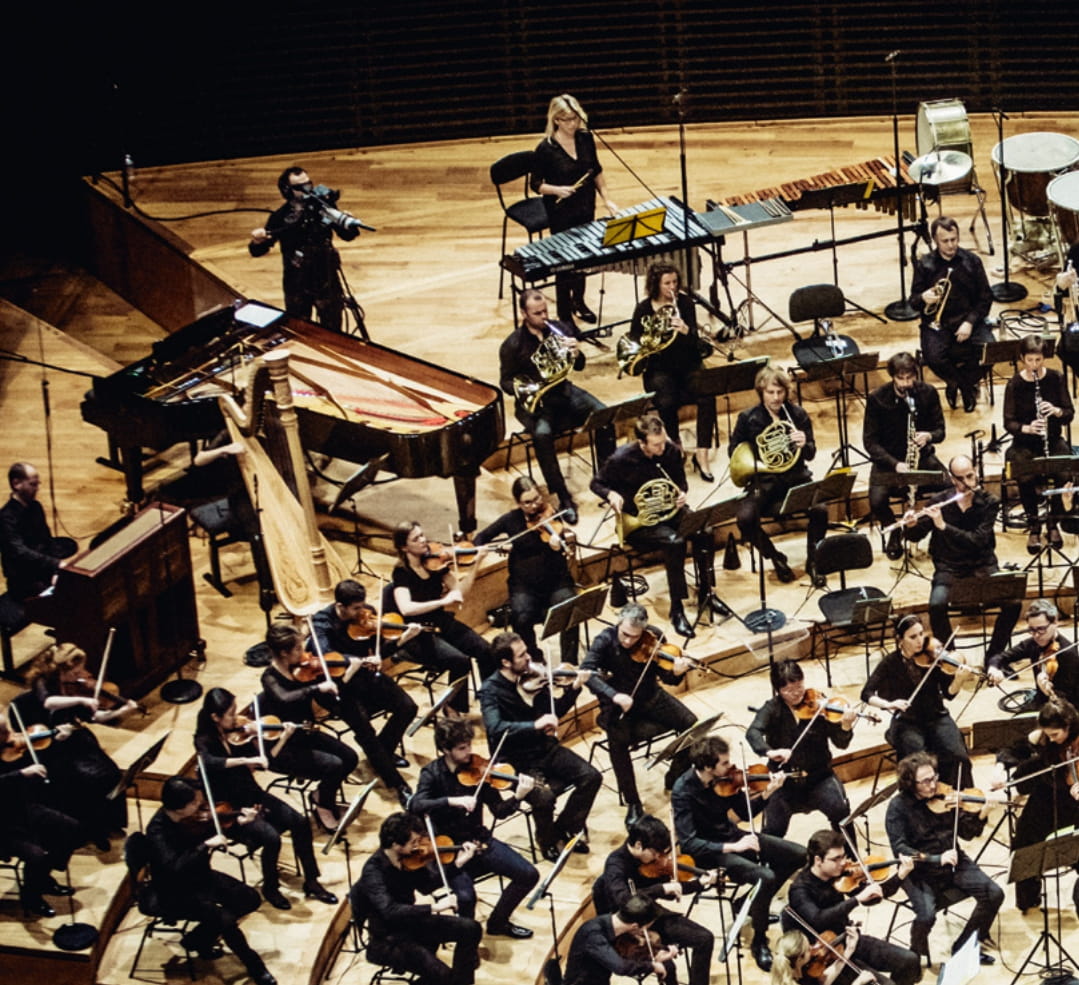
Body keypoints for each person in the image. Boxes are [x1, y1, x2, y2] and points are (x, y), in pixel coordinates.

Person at [193, 687, 337, 910]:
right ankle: (271, 888)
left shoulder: (239, 734)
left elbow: (266, 760)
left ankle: (311, 880)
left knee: (299, 822)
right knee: (271, 838)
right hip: (229, 809)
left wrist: (279, 737)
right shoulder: (203, 740)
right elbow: (209, 762)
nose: (236, 717)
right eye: (230, 713)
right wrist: (244, 761)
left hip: (252, 794)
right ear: (215, 717)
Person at [671, 734, 804, 971]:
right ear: (708, 767)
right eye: (724, 763)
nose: (731, 766)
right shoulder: (683, 791)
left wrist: (768, 792)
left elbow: (742, 812)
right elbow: (689, 843)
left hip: (733, 836)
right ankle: (759, 940)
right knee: (766, 877)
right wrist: (734, 847)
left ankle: (749, 903)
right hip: (710, 852)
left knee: (799, 854)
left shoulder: (726, 781)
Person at [409, 716, 538, 939]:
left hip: (479, 841)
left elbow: (499, 811)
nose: (469, 752)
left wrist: (518, 797)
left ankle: (498, 923)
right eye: (462, 748)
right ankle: (466, 942)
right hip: (451, 850)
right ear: (445, 749)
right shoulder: (432, 774)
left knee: (529, 875)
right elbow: (416, 805)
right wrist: (452, 801)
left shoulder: (479, 772)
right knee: (466, 898)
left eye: (469, 745)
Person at [478, 631, 600, 861]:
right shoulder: (490, 691)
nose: (529, 658)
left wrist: (575, 687)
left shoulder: (534, 679)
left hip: (545, 748)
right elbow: (495, 727)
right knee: (544, 798)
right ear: (506, 662)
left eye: (526, 652)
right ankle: (546, 840)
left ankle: (563, 829)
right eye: (521, 655)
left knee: (591, 777)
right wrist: (534, 725)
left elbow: (555, 711)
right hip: (516, 760)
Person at [145, 776, 276, 985]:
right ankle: (256, 967)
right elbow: (175, 867)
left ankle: (198, 939)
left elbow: (211, 826)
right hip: (173, 891)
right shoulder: (157, 832)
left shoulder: (190, 819)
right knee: (225, 920)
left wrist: (240, 820)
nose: (202, 806)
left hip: (200, 876)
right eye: (196, 803)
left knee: (249, 899)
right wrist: (205, 846)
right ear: (180, 808)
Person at [500, 289, 615, 524]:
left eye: (545, 311)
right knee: (542, 435)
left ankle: (606, 480)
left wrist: (576, 352)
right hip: (537, 404)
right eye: (537, 313)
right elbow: (505, 382)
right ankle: (563, 497)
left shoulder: (560, 329)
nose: (544, 316)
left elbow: (579, 366)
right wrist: (526, 388)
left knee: (604, 415)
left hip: (563, 392)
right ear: (524, 314)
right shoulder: (512, 344)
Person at [591, 413, 711, 638]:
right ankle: (677, 609)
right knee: (675, 542)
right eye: (656, 445)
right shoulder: (621, 459)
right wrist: (611, 494)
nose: (662, 448)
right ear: (642, 442)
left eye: (663, 441)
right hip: (639, 521)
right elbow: (596, 483)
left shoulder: (671, 450)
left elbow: (680, 482)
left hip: (668, 510)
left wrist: (682, 493)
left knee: (704, 529)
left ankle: (706, 593)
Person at [581, 602, 697, 826]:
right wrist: (614, 695)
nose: (628, 641)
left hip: (651, 698)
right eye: (625, 634)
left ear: (643, 630)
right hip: (617, 707)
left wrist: (677, 672)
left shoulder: (654, 638)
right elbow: (587, 674)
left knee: (692, 725)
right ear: (619, 624)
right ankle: (633, 802)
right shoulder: (604, 641)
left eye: (634, 637)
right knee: (618, 742)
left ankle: (675, 776)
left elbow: (668, 680)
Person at [885, 751, 1003, 965]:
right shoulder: (898, 808)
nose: (933, 785)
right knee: (926, 916)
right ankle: (914, 955)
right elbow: (900, 848)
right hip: (919, 870)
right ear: (910, 783)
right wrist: (936, 859)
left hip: (954, 860)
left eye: (934, 777)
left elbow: (967, 833)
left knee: (994, 894)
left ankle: (965, 946)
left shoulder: (946, 796)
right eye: (925, 781)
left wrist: (984, 811)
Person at [899, 454, 1020, 659]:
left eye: (970, 476)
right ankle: (950, 658)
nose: (967, 483)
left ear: (976, 472)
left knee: (1014, 604)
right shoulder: (939, 502)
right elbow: (915, 536)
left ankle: (995, 656)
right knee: (936, 606)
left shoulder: (989, 502)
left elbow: (977, 540)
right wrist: (911, 525)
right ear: (952, 478)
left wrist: (943, 526)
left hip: (982, 565)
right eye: (961, 479)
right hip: (949, 567)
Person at [21, 642, 135, 850]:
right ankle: (92, 829)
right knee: (91, 780)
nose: (80, 675)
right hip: (52, 744)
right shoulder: (42, 683)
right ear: (60, 670)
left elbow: (95, 717)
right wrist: (81, 701)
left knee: (112, 774)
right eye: (75, 671)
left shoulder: (72, 686)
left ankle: (109, 822)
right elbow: (48, 703)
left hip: (76, 738)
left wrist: (121, 711)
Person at [352, 811, 481, 985]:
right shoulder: (373, 871)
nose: (418, 846)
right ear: (396, 844)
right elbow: (390, 910)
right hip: (388, 939)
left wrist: (457, 864)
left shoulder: (408, 858)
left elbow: (426, 886)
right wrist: (434, 908)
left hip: (411, 923)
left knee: (471, 928)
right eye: (413, 842)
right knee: (443, 976)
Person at [257, 624, 365, 828]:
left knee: (350, 757)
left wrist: (349, 668)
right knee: (334, 765)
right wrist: (316, 688)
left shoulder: (304, 669)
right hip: (285, 744)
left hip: (307, 732)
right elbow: (285, 698)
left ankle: (321, 794)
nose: (304, 652)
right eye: (298, 648)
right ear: (284, 653)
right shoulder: (270, 678)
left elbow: (329, 693)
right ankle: (323, 805)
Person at [783, 829, 921, 985]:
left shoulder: (840, 875)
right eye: (836, 859)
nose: (843, 863)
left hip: (849, 938)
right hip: (825, 956)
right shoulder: (800, 889)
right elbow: (818, 918)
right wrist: (856, 900)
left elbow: (874, 896)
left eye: (843, 856)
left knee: (910, 961)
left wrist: (901, 875)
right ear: (818, 860)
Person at [729, 366, 827, 586]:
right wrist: (757, 459)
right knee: (745, 519)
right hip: (764, 481)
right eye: (770, 392)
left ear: (786, 391)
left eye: (780, 392)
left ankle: (814, 561)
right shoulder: (748, 418)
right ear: (761, 392)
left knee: (820, 509)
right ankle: (775, 557)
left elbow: (810, 454)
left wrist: (804, 443)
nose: (775, 398)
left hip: (796, 478)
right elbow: (734, 452)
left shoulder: (797, 415)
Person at [592, 814, 718, 985]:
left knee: (704, 938)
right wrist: (660, 889)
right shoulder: (615, 865)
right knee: (668, 966)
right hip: (627, 929)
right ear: (638, 845)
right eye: (655, 852)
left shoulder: (648, 861)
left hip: (651, 916)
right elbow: (625, 901)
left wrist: (699, 883)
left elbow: (670, 890)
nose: (660, 858)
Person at [747, 660, 858, 848]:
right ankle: (768, 860)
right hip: (783, 781)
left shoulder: (820, 706)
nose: (796, 694)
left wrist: (846, 726)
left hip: (819, 776)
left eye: (799, 687)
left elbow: (841, 743)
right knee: (774, 828)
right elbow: (753, 732)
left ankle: (851, 857)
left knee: (841, 812)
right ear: (778, 690)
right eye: (788, 690)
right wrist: (770, 752)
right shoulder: (773, 708)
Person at [530, 93, 619, 327]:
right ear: (556, 120)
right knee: (564, 262)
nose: (573, 124)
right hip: (560, 211)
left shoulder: (585, 138)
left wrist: (607, 199)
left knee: (583, 257)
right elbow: (536, 184)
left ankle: (578, 301)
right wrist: (557, 190)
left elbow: (595, 171)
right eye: (567, 119)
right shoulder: (546, 148)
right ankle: (564, 313)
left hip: (585, 205)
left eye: (575, 118)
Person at [473, 475, 579, 664]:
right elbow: (481, 537)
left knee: (569, 610)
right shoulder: (511, 520)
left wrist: (557, 544)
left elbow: (561, 542)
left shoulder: (552, 514)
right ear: (518, 503)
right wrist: (486, 548)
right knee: (520, 616)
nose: (534, 506)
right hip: (524, 586)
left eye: (537, 499)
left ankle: (568, 664)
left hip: (556, 582)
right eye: (527, 503)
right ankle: (533, 659)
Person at [305, 577, 424, 744]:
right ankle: (381, 756)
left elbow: (380, 652)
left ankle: (384, 750)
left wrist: (403, 639)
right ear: (340, 606)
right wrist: (357, 659)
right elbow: (326, 655)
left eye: (362, 605)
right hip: (338, 684)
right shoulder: (322, 622)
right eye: (356, 608)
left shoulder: (367, 613)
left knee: (408, 707)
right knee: (365, 729)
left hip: (363, 675)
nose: (362, 611)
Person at [626, 262, 717, 480]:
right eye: (667, 283)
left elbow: (696, 344)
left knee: (707, 396)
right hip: (659, 369)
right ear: (655, 284)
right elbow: (634, 341)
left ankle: (702, 453)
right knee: (667, 401)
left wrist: (686, 330)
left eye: (675, 282)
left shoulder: (685, 303)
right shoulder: (643, 309)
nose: (672, 287)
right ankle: (676, 449)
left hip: (687, 365)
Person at [861, 613, 973, 788]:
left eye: (921, 634)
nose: (920, 641)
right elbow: (866, 693)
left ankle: (961, 798)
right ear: (900, 640)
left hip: (937, 717)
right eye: (913, 637)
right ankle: (920, 800)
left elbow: (949, 694)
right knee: (918, 765)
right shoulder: (890, 663)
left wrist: (959, 679)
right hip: (908, 722)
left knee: (959, 756)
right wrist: (888, 704)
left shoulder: (933, 658)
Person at [989, 698, 1079, 913]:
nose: (1052, 739)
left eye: (1055, 735)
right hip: (1049, 793)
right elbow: (1014, 749)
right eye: (1048, 734)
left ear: (1068, 726)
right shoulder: (1046, 737)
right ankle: (1028, 898)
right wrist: (1000, 768)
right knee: (1024, 841)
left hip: (1075, 803)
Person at [248, 165, 360, 332]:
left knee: (334, 329)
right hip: (297, 281)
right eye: (299, 187)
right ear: (287, 190)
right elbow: (257, 251)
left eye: (308, 184)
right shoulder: (280, 217)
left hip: (326, 276)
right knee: (299, 329)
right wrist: (258, 241)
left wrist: (348, 223)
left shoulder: (323, 207)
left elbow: (348, 235)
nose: (307, 190)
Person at [863, 352, 947, 560]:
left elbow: (940, 431)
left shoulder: (928, 393)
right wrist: (895, 464)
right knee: (877, 500)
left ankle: (923, 527)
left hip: (922, 458)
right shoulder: (877, 398)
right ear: (892, 377)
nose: (906, 383)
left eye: (910, 378)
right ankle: (894, 530)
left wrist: (928, 436)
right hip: (888, 463)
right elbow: (870, 443)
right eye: (901, 379)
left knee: (950, 488)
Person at [0, 707, 82, 917]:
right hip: (3, 825)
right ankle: (31, 897)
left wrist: (57, 738)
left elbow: (43, 756)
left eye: (9, 730)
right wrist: (21, 774)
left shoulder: (13, 747)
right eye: (4, 733)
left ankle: (42, 877)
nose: (11, 736)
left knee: (71, 828)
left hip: (20, 809)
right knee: (36, 856)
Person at [392, 520, 494, 683]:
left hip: (441, 622)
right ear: (404, 547)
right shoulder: (401, 572)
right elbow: (406, 608)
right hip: (417, 633)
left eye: (422, 535)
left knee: (486, 651)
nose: (423, 540)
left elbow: (460, 591)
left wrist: (476, 563)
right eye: (416, 539)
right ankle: (454, 700)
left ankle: (489, 694)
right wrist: (442, 602)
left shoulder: (436, 564)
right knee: (460, 661)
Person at [909, 215, 993, 413]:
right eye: (945, 241)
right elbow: (913, 302)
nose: (950, 245)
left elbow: (985, 297)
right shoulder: (925, 264)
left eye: (954, 239)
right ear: (935, 241)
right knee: (933, 357)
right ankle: (961, 385)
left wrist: (970, 322)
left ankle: (962, 383)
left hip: (968, 320)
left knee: (991, 352)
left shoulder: (972, 261)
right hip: (938, 324)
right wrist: (923, 298)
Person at [1003, 334, 1075, 553]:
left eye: (1038, 360)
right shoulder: (1014, 384)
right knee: (1025, 475)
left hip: (1052, 439)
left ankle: (1053, 523)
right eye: (1030, 360)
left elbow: (1069, 413)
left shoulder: (1056, 378)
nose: (1034, 365)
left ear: (1044, 358)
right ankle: (1034, 525)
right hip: (1023, 443)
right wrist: (1027, 428)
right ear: (1022, 359)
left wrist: (1056, 411)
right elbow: (1008, 422)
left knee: (1065, 473)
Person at [0, 462, 77, 600]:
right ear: (16, 484)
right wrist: (55, 564)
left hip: (42, 569)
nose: (37, 489)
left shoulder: (36, 507)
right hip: (23, 579)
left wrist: (55, 572)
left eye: (37, 484)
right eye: (33, 484)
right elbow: (20, 552)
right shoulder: (6, 518)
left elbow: (47, 541)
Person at [563, 894, 678, 985]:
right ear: (635, 926)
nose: (645, 933)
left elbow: (625, 955)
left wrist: (656, 956)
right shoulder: (593, 935)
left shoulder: (613, 924)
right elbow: (621, 967)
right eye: (645, 928)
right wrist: (652, 966)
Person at [986, 598, 1079, 710]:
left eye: (1041, 629)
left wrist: (1049, 692)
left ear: (1055, 622)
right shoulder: (1033, 644)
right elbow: (999, 657)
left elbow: (1068, 702)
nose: (1036, 635)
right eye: (1032, 630)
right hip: (1040, 702)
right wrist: (993, 668)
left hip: (1061, 711)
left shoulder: (1068, 654)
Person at [770, 929, 879, 985]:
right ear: (799, 959)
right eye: (808, 949)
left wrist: (850, 949)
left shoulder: (795, 970)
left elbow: (822, 982)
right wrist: (858, 983)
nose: (813, 948)